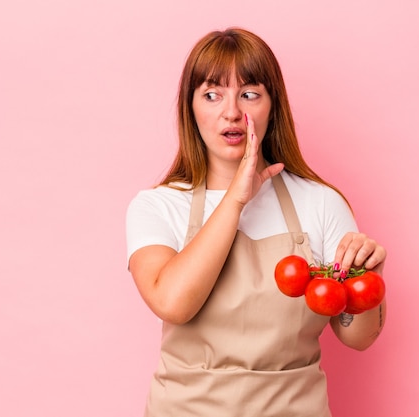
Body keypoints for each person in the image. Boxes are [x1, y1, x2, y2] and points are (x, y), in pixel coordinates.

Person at [125, 27, 387, 417]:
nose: (232, 112)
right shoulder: (158, 205)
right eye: (212, 94)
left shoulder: (319, 201)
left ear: (272, 105)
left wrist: (368, 280)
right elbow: (172, 303)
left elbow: (357, 338)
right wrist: (236, 197)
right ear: (190, 108)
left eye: (249, 94)